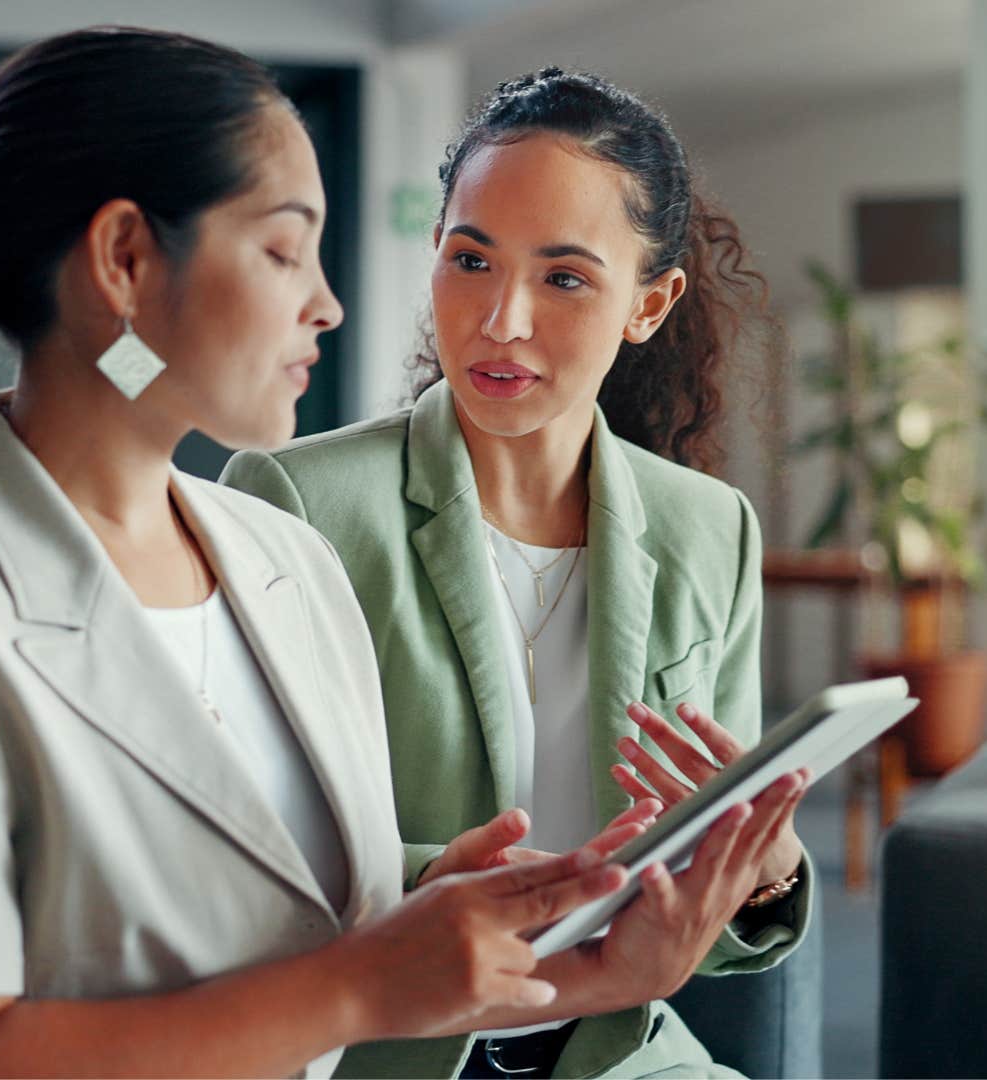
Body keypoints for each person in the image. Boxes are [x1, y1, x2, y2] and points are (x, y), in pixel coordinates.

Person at [0, 31, 801, 1079]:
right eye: (284, 251)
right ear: (123, 262)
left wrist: (610, 974)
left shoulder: (277, 558)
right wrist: (367, 980)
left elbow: (342, 929)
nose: (329, 305)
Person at [222, 68, 814, 1078]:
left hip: (618, 1054)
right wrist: (438, 886)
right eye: (470, 259)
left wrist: (765, 869)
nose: (500, 320)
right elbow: (239, 854)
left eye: (565, 278)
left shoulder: (714, 532)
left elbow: (699, 937)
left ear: (650, 303)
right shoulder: (296, 504)